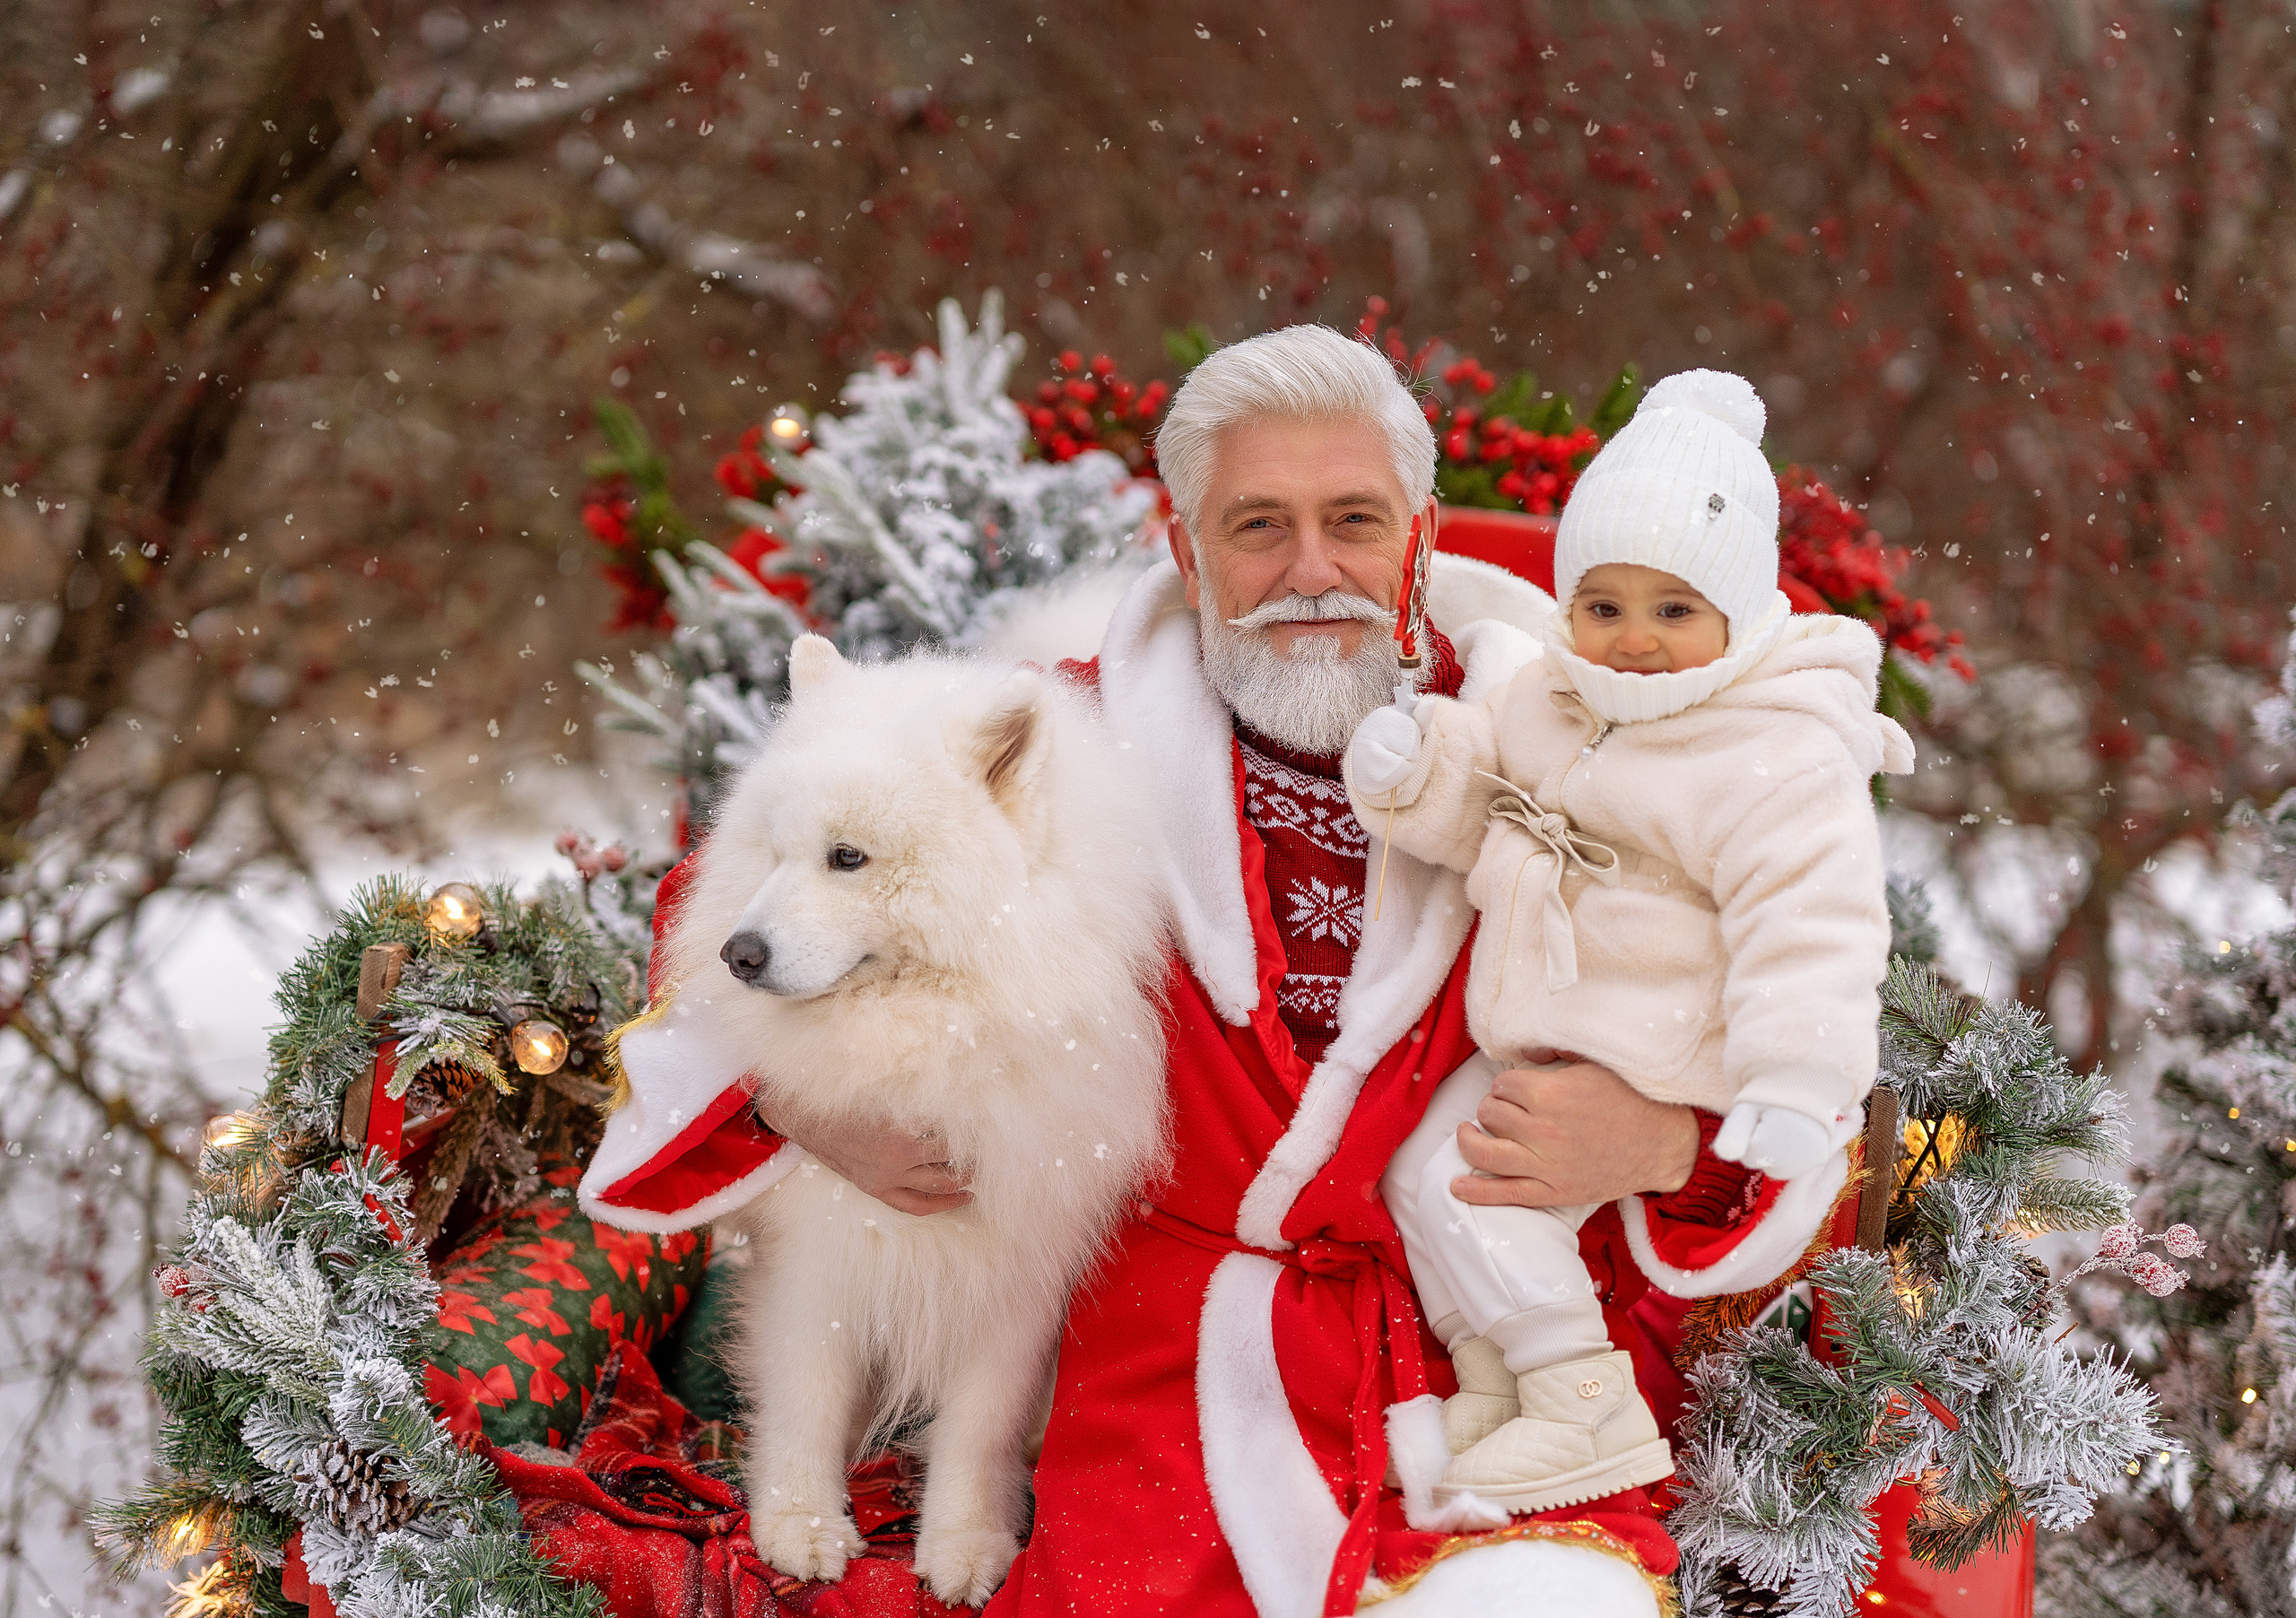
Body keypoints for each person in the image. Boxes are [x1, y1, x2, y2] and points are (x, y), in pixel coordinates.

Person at [585, 331, 1866, 1615]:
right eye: (1259, 525)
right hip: (1167, 1360)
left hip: (1505, 1362)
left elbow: (1795, 991)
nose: (1312, 571)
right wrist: (806, 1105)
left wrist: (1665, 1145)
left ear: (1419, 539)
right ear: (1191, 554)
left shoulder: (1607, 738)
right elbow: (750, 884)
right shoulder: (1047, 742)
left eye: (1353, 520)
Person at [1342, 369, 1916, 1525]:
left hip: (1662, 1049)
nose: (1636, 641)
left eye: (1673, 608)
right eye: (1604, 605)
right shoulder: (1556, 698)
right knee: (1422, 1179)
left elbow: (1813, 927)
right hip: (1551, 1034)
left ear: (1740, 614)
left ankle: (1582, 1399)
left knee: (1482, 1192)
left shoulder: (1773, 751)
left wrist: (1798, 1085)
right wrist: (1418, 777)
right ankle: (1507, 1384)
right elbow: (1485, 810)